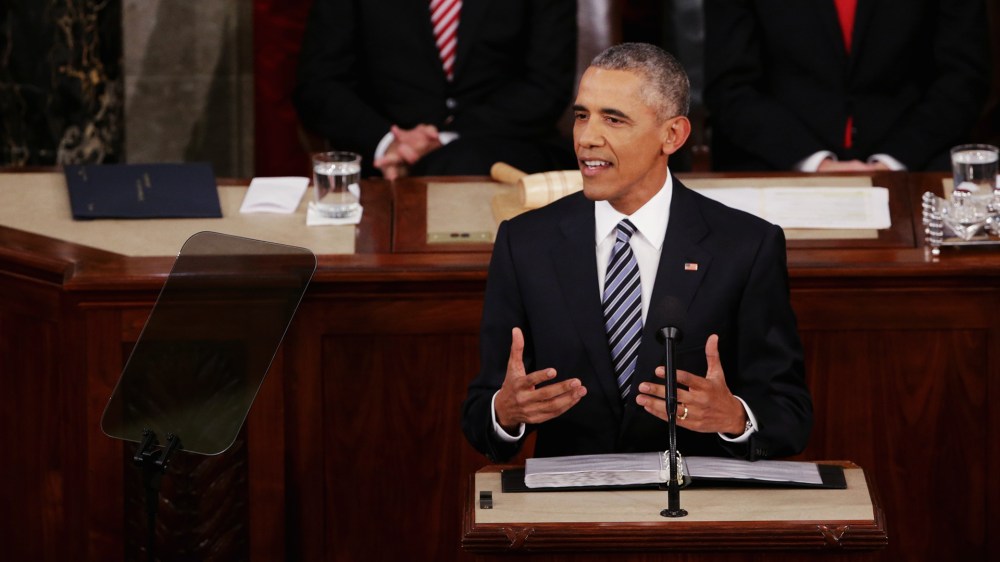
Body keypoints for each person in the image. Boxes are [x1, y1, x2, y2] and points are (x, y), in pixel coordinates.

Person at [461, 43, 813, 463]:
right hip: (573, 511)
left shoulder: (746, 246)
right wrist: (505, 412)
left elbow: (789, 415)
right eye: (581, 116)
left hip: (696, 505)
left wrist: (735, 417)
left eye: (613, 119)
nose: (587, 138)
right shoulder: (525, 243)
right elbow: (482, 414)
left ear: (673, 135)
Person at [293, 0, 578, 179]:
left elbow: (547, 85)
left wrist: (441, 140)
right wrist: (389, 143)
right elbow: (318, 84)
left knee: (459, 164)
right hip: (381, 157)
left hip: (505, 146)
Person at [704, 0, 990, 172]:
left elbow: (963, 78)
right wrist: (817, 164)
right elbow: (730, 86)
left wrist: (891, 162)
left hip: (915, 160)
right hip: (776, 160)